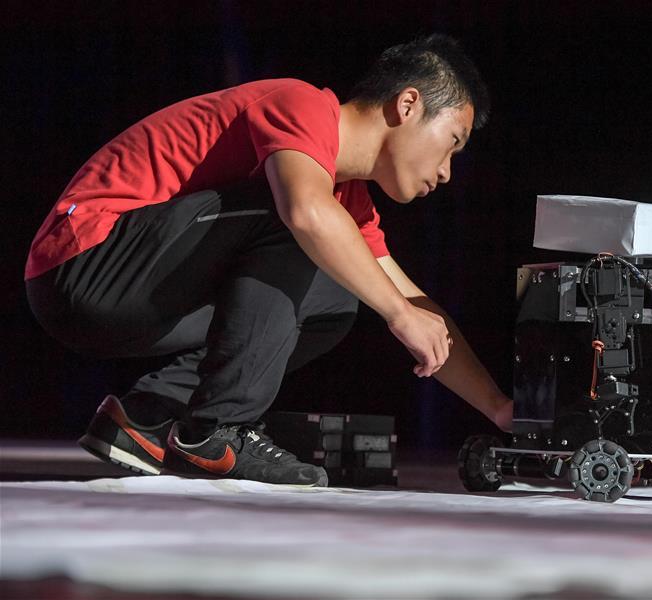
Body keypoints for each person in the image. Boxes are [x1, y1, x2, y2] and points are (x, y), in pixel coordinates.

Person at [25, 34, 513, 486]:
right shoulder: (301, 105)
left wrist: (500, 409)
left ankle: (148, 416)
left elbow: (413, 300)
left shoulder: (345, 200)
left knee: (333, 302)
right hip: (84, 263)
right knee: (303, 222)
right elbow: (305, 213)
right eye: (453, 142)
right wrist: (399, 315)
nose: (447, 172)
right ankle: (216, 431)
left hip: (135, 288)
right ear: (408, 104)